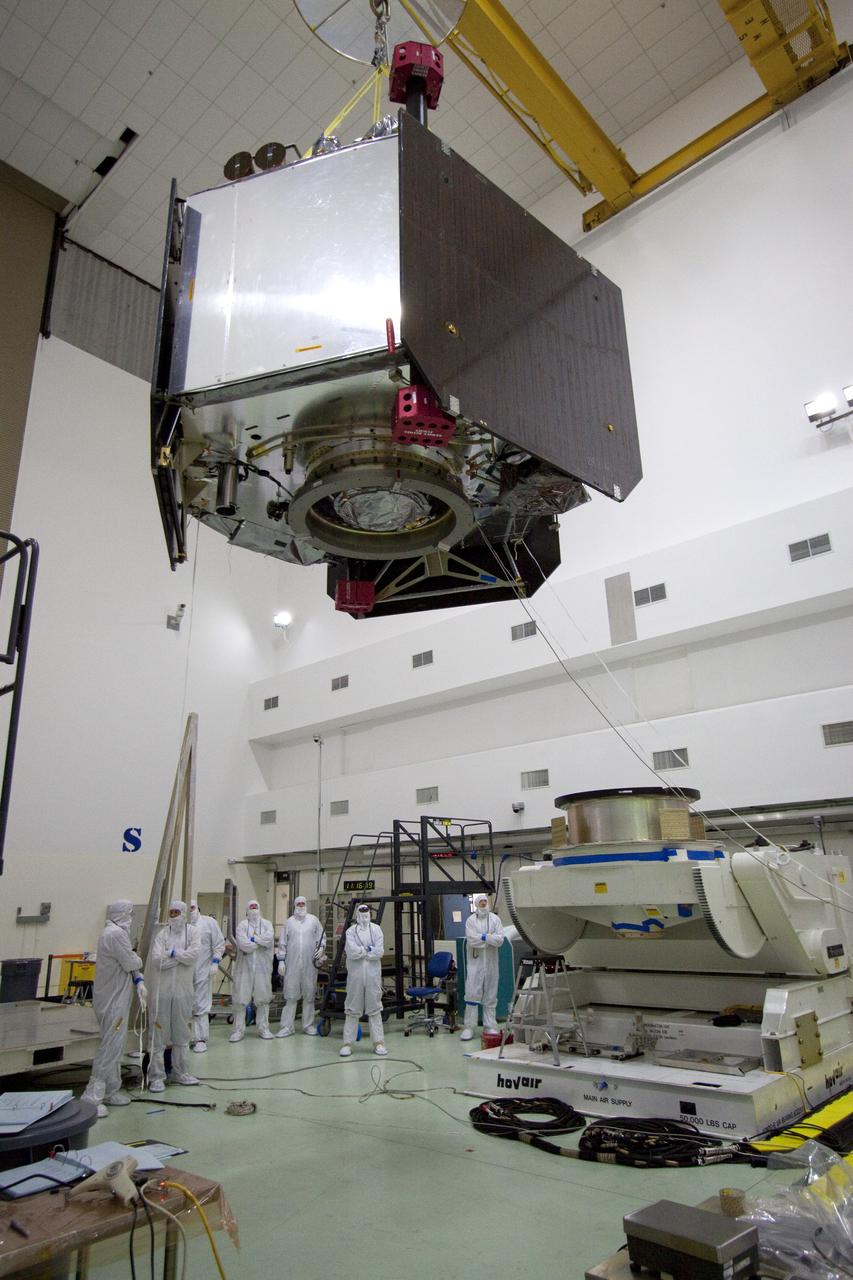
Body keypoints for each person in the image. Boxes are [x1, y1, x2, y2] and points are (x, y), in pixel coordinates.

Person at [82, 901, 147, 1118]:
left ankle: (111, 1090)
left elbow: (128, 965)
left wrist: (138, 979)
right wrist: (137, 962)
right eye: (129, 914)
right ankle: (92, 1096)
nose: (131, 917)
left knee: (116, 1046)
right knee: (110, 1046)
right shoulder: (115, 934)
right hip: (112, 1001)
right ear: (121, 914)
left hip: (115, 997)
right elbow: (131, 962)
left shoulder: (112, 932)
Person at [146, 900, 201, 1091]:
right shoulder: (162, 934)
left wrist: (172, 954)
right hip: (162, 993)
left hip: (183, 993)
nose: (174, 915)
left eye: (177, 912)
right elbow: (157, 961)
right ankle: (156, 1077)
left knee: (182, 1034)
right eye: (171, 912)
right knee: (158, 1035)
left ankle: (180, 1073)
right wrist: (180, 957)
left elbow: (193, 956)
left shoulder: (192, 932)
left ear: (184, 913)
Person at [340, 903, 387, 1057]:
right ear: (357, 915)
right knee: (352, 1009)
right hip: (356, 976)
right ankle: (347, 1044)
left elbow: (379, 952)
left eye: (367, 913)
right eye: (362, 913)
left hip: (373, 976)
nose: (365, 916)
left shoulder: (376, 929)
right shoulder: (350, 931)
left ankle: (379, 1043)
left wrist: (365, 951)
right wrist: (368, 950)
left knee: (375, 1009)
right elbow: (351, 952)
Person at [276, 895, 326, 1038]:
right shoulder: (289, 922)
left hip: (309, 964)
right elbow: (282, 943)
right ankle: (287, 1027)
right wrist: (281, 960)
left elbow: (321, 937)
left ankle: (308, 1025)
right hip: (292, 965)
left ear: (306, 905)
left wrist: (321, 948)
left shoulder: (313, 920)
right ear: (295, 905)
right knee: (291, 996)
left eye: (303, 903)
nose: (301, 906)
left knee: (309, 995)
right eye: (299, 904)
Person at [460, 892, 505, 1041]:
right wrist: (489, 938)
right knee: (472, 993)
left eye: (485, 901)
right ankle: (469, 1027)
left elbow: (500, 940)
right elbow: (471, 940)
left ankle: (490, 1025)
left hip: (491, 963)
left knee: (491, 994)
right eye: (481, 902)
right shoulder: (471, 921)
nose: (484, 904)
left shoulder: (495, 919)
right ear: (477, 904)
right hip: (475, 963)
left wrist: (484, 937)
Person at [230, 899, 274, 1041]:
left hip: (263, 968)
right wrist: (259, 942)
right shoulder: (242, 925)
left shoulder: (267, 924)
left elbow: (269, 939)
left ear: (259, 908)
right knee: (240, 999)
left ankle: (264, 1029)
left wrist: (253, 939)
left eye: (256, 906)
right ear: (247, 910)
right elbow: (243, 945)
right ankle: (238, 1031)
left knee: (263, 998)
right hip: (244, 968)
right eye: (251, 907)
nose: (254, 909)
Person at [188, 899, 225, 1053]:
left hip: (203, 971)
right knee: (184, 1005)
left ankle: (200, 1039)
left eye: (192, 907)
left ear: (198, 908)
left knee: (201, 1005)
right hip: (183, 973)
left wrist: (215, 962)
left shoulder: (209, 923)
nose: (190, 911)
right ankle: (186, 1038)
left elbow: (219, 944)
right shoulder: (180, 925)